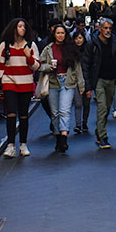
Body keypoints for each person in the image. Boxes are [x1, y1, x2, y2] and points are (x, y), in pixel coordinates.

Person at [0, 18, 40, 158]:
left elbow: (37, 66)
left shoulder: (31, 45)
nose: (22, 29)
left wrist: (28, 57)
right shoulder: (4, 46)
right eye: (19, 26)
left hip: (26, 83)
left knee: (24, 115)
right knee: (11, 113)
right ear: (13, 29)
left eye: (24, 26)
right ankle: (11, 145)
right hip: (9, 82)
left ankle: (23, 144)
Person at [38, 25, 85, 154]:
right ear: (54, 34)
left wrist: (81, 85)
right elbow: (39, 65)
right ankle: (58, 137)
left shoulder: (71, 49)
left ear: (66, 34)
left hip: (68, 82)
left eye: (62, 33)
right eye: (58, 33)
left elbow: (77, 68)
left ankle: (64, 138)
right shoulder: (48, 49)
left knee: (64, 110)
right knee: (55, 112)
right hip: (53, 83)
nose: (60, 35)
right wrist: (48, 67)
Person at [83, 17, 116, 150]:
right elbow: (85, 64)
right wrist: (88, 86)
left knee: (107, 107)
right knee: (102, 107)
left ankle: (99, 130)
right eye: (105, 28)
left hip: (112, 78)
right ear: (99, 29)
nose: (108, 31)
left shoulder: (115, 41)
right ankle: (103, 136)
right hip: (99, 79)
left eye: (109, 28)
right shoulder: (92, 43)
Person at [70, 29, 92, 134]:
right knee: (78, 103)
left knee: (86, 103)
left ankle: (84, 122)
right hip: (75, 80)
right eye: (76, 38)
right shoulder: (71, 51)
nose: (78, 41)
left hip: (87, 79)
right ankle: (78, 124)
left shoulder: (88, 50)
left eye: (80, 38)